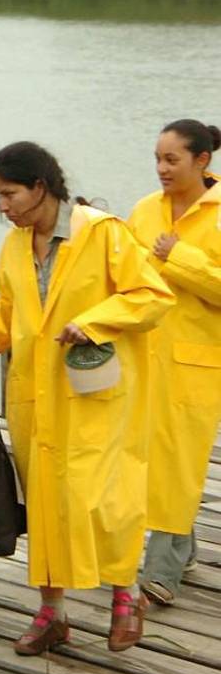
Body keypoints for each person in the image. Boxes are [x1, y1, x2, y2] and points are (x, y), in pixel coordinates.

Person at [0, 141, 174, 655]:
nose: (4, 206)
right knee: (45, 505)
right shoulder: (15, 243)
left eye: (10, 194)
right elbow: (7, 303)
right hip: (34, 396)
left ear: (40, 187)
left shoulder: (101, 233)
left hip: (92, 395)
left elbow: (150, 296)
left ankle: (127, 596)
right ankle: (51, 612)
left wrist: (94, 322)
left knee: (108, 500)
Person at [129, 120, 221, 606]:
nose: (162, 169)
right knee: (149, 461)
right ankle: (182, 550)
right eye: (158, 159)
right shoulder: (145, 210)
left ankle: (161, 572)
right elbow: (121, 272)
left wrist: (181, 257)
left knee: (177, 464)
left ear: (202, 161)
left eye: (172, 160)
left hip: (197, 363)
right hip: (143, 359)